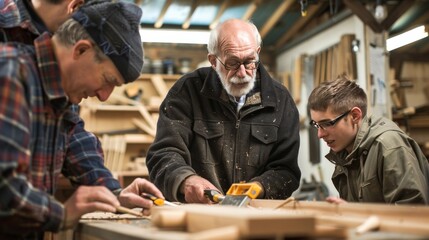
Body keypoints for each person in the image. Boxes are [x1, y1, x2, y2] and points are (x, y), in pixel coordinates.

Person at [0, 1, 165, 239]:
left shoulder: (59, 95)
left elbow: (74, 139)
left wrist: (113, 193)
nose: (104, 96)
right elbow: (4, 187)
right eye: (108, 79)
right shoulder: (10, 73)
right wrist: (63, 213)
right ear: (81, 50)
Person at [146, 19, 301, 203]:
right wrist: (186, 181)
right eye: (233, 63)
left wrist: (260, 187)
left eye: (250, 61)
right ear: (213, 60)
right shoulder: (187, 92)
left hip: (256, 215)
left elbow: (286, 170)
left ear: (257, 53)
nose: (242, 73)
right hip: (199, 211)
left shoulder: (280, 100)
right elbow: (163, 153)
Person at [308, 74, 429, 204]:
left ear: (355, 116)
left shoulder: (389, 147)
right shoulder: (345, 154)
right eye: (316, 125)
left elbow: (410, 214)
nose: (320, 134)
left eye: (327, 124)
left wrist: (355, 214)